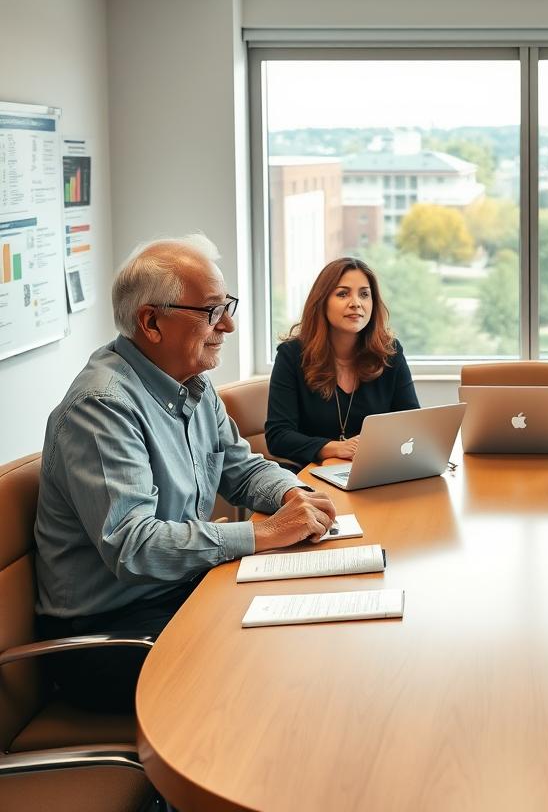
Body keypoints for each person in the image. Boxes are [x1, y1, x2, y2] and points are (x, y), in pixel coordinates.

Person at [35, 234, 337, 713]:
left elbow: (241, 469)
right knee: (274, 673)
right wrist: (264, 534)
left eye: (227, 306)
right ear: (151, 322)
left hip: (179, 594)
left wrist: (295, 494)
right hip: (107, 636)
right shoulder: (102, 407)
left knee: (309, 631)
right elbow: (133, 547)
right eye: (212, 312)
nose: (230, 325)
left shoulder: (191, 383)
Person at [265, 257, 419, 468]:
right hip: (311, 475)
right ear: (322, 302)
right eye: (343, 293)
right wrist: (335, 448)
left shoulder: (389, 353)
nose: (356, 303)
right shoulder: (292, 355)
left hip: (374, 469)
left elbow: (412, 424)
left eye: (364, 294)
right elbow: (278, 437)